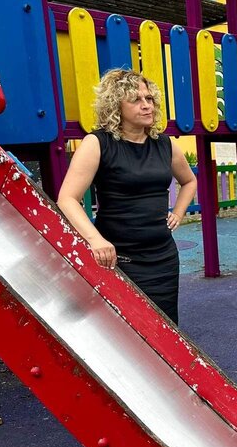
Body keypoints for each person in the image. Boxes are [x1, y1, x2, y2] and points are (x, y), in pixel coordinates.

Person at [57, 69, 197, 325]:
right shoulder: (97, 143)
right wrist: (95, 240)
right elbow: (67, 198)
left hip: (163, 259)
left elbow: (189, 181)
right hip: (119, 259)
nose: (147, 106)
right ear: (115, 106)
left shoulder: (165, 144)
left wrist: (177, 213)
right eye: (136, 100)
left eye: (149, 99)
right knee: (124, 331)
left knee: (165, 329)